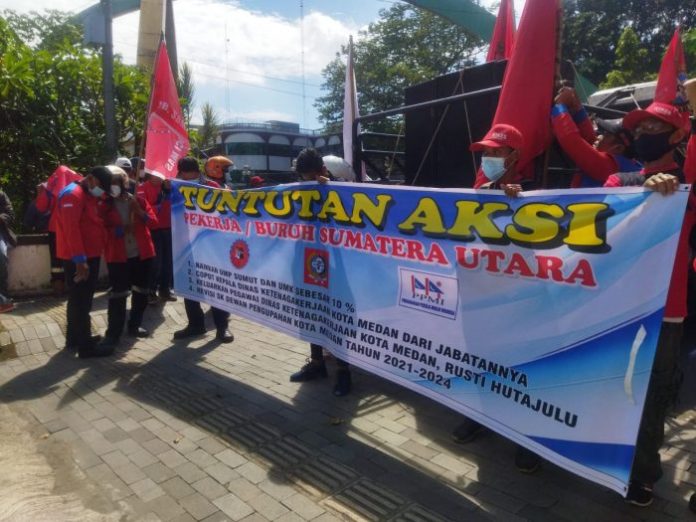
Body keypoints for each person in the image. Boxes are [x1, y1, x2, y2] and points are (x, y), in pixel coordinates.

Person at [602, 101, 693, 507]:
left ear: (678, 136)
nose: (642, 135)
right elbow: (601, 208)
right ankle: (600, 458)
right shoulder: (618, 179)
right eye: (638, 129)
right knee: (605, 386)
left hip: (667, 311)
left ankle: (642, 473)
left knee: (653, 397)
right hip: (613, 307)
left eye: (654, 126)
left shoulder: (689, 190)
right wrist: (642, 190)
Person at [451, 124, 541, 473]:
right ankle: (484, 419)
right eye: (485, 153)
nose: (488, 159)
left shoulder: (538, 194)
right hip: (480, 298)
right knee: (482, 364)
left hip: (519, 302)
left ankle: (527, 437)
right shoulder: (477, 193)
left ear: (515, 157)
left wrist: (522, 205)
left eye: (496, 152)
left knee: (523, 371)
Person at [288, 148, 352, 396]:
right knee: (310, 311)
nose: (306, 181)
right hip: (305, 261)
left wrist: (332, 187)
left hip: (337, 266)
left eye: (310, 176)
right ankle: (316, 364)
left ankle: (344, 372)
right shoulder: (298, 191)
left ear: (323, 171)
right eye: (302, 176)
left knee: (336, 316)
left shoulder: (339, 190)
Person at [173, 157, 234, 343]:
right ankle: (195, 325)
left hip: (210, 244)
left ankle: (222, 327)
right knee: (188, 284)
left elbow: (227, 207)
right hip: (185, 244)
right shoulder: (174, 187)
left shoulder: (212, 186)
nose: (188, 177)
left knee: (215, 284)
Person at [55, 166, 113, 358]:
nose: (101, 191)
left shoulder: (86, 192)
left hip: (88, 255)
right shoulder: (73, 195)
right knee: (82, 301)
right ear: (90, 179)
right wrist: (80, 260)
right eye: (100, 187)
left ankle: (74, 338)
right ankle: (86, 347)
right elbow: (72, 230)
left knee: (78, 299)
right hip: (79, 258)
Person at [98, 166, 158, 349]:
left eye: (117, 182)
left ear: (124, 183)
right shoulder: (104, 205)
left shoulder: (138, 200)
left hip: (143, 254)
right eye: (111, 183)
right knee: (118, 295)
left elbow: (154, 222)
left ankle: (134, 325)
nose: (114, 186)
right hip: (118, 256)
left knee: (141, 292)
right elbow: (100, 230)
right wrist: (119, 230)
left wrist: (138, 211)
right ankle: (113, 334)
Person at [552, 86, 642, 187]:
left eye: (606, 135)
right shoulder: (627, 164)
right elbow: (590, 141)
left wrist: (559, 107)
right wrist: (577, 109)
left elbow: (572, 142)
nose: (599, 136)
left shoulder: (610, 167)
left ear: (618, 148)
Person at [35, 166, 83, 294]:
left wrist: (40, 193)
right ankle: (76, 287)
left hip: (55, 227)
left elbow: (41, 207)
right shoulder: (79, 183)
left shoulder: (51, 184)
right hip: (74, 226)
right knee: (73, 256)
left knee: (57, 260)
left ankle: (58, 287)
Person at [138, 173, 176, 303]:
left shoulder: (168, 186)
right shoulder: (142, 188)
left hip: (169, 228)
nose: (157, 178)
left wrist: (168, 191)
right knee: (156, 263)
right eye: (154, 175)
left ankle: (165, 290)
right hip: (153, 230)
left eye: (160, 175)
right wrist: (158, 203)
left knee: (168, 261)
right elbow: (142, 209)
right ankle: (150, 291)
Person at [0, 188, 16, 313]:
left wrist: (1, 217)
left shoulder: (1, 195)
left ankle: (3, 297)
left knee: (1, 257)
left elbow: (11, 214)